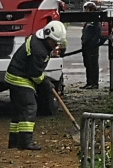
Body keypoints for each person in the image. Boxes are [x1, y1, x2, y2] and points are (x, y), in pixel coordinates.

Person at [5, 20, 67, 151]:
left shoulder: (39, 41)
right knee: (30, 107)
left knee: (18, 110)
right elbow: (35, 74)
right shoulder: (39, 50)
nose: (55, 45)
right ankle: (26, 142)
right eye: (54, 42)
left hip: (15, 75)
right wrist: (47, 84)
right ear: (47, 36)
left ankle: (14, 141)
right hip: (20, 78)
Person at [80, 0, 108, 90]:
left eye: (87, 9)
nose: (86, 11)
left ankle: (94, 83)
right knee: (87, 64)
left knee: (93, 65)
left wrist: (92, 43)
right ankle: (89, 82)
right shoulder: (88, 21)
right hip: (85, 45)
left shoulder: (96, 20)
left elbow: (98, 34)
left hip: (93, 46)